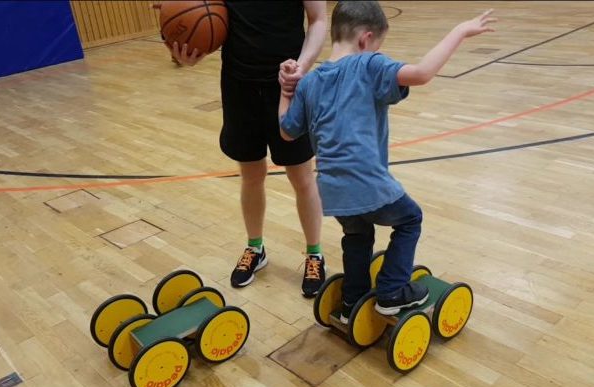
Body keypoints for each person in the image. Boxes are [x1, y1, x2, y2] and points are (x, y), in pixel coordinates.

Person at [278, 1, 496, 320]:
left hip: (333, 192)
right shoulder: (369, 64)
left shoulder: (310, 82)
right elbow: (420, 74)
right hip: (367, 183)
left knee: (357, 235)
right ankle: (393, 291)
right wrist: (459, 31)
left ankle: (352, 301)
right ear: (366, 40)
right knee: (410, 219)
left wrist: (285, 92)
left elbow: (286, 132)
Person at [166, 1, 328, 297]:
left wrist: (302, 66)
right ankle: (256, 247)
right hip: (239, 85)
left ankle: (315, 254)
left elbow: (318, 19)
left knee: (302, 178)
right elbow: (207, 15)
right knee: (251, 176)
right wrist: (186, 47)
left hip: (288, 85)